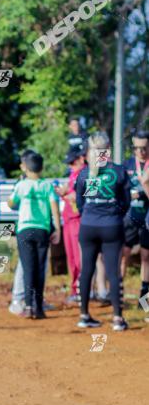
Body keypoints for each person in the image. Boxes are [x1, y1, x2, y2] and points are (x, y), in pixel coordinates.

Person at [75, 131, 130, 331]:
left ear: (91, 150)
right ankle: (117, 318)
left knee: (86, 271)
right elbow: (126, 202)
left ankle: (83, 315)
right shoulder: (119, 171)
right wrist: (113, 214)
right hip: (112, 226)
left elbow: (80, 204)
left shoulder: (84, 173)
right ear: (108, 149)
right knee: (113, 273)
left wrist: (91, 213)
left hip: (88, 226)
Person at [8, 151, 61, 319]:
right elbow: (54, 207)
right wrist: (58, 229)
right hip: (42, 231)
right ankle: (39, 308)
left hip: (25, 230)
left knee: (28, 269)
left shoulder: (21, 185)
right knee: (40, 269)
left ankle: (29, 306)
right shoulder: (47, 185)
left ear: (25, 168)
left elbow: (11, 203)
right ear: (42, 167)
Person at [55, 147, 86, 304]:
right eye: (69, 163)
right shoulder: (73, 174)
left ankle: (82, 290)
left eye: (73, 162)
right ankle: (75, 289)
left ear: (81, 159)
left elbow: (76, 196)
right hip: (68, 220)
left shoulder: (85, 174)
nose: (70, 166)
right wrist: (63, 192)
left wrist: (67, 195)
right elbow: (69, 191)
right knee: (72, 258)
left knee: (79, 258)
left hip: (77, 220)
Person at [122, 129, 149, 302]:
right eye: (137, 148)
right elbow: (120, 190)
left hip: (147, 217)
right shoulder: (127, 165)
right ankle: (117, 297)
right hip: (129, 217)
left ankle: (145, 301)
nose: (141, 151)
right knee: (123, 254)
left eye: (145, 148)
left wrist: (144, 188)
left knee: (146, 257)